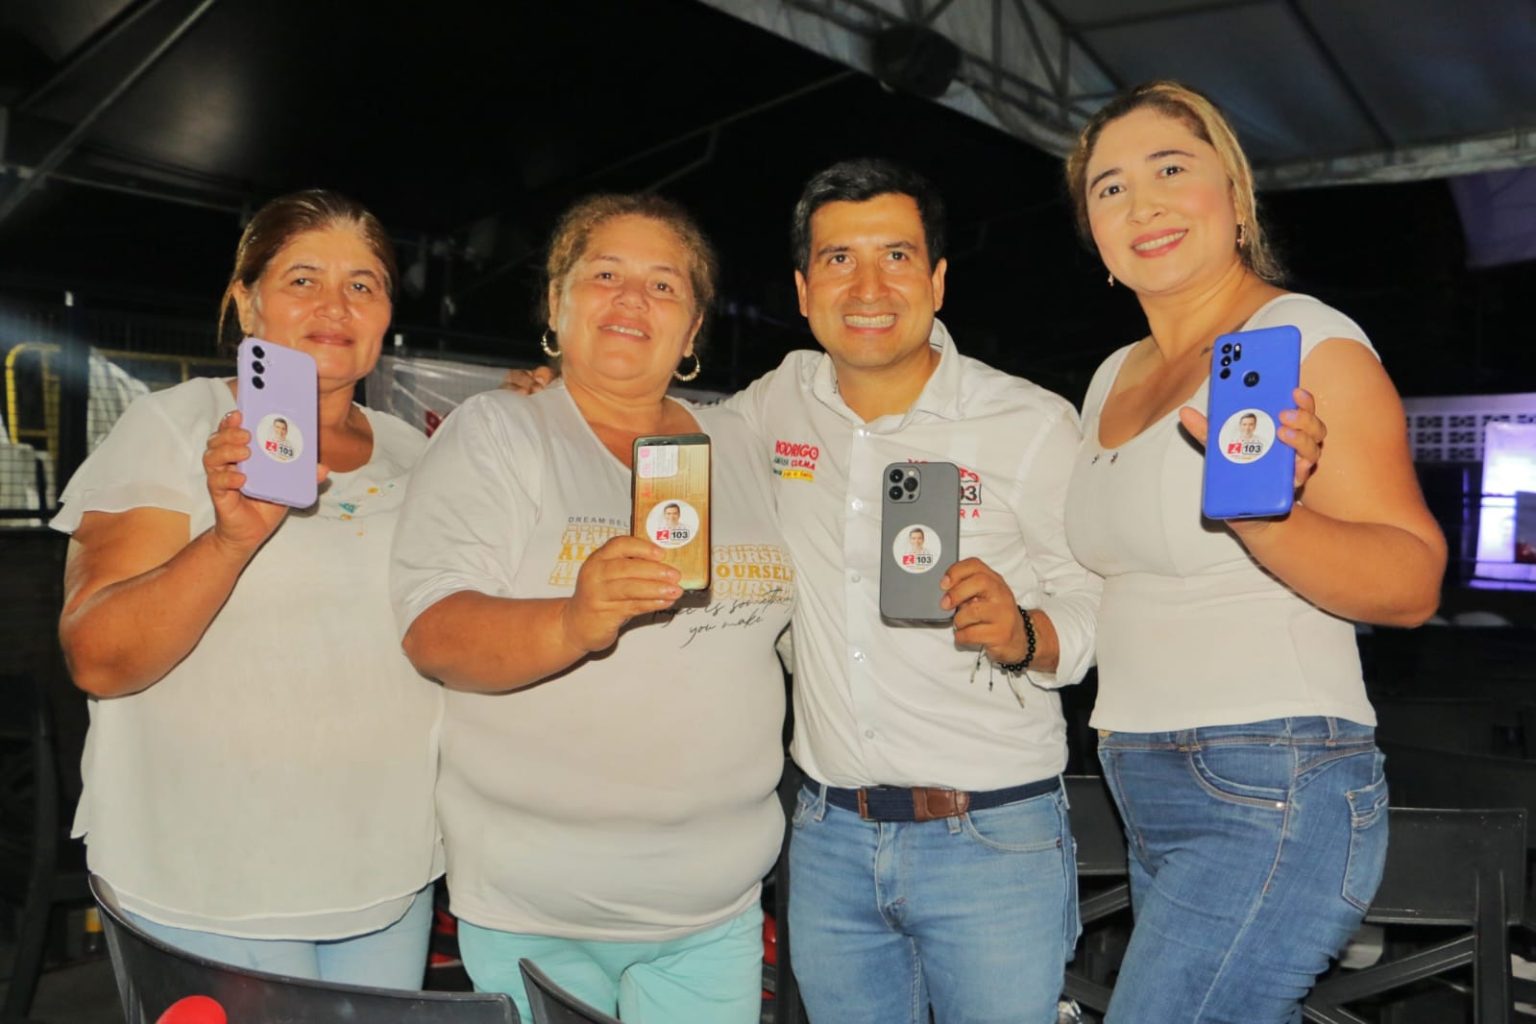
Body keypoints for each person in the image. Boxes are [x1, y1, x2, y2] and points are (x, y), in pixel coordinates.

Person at [508, 160, 1102, 1024]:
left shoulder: (1031, 424)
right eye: (838, 260)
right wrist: (562, 397)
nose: (868, 287)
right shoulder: (775, 403)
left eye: (896, 256)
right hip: (828, 839)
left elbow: (1098, 606)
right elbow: (661, 421)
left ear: (937, 280)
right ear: (802, 288)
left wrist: (1026, 634)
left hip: (992, 838)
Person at [1061, 81, 1447, 1022]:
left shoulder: (1301, 340)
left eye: (1170, 169)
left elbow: (1412, 582)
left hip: (1273, 777)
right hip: (1138, 773)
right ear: (1095, 237)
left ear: (1235, 198)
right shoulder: (1114, 376)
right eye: (1110, 188)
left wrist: (1264, 519)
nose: (1142, 203)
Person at [390, 194, 792, 1024]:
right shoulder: (499, 432)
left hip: (714, 906)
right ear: (556, 302)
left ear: (693, 329)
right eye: (605, 274)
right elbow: (434, 632)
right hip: (539, 906)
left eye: (663, 284)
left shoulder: (743, 444)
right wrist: (571, 620)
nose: (631, 299)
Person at [54, 190, 442, 986]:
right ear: (245, 301)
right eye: (303, 279)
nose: (335, 305)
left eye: (363, 284)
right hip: (210, 880)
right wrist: (231, 540)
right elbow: (99, 656)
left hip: (389, 870)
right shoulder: (177, 424)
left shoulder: (420, 452)